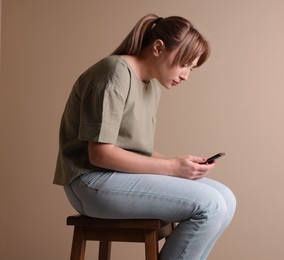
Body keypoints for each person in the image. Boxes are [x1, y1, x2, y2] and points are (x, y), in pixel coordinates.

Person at [54, 13, 236, 260]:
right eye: (184, 65)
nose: (186, 76)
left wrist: (182, 166)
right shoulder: (114, 72)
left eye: (191, 69)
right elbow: (99, 154)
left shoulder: (150, 86)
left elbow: (136, 149)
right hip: (89, 182)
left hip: (116, 178)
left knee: (226, 199)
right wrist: (171, 167)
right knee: (210, 205)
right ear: (158, 47)